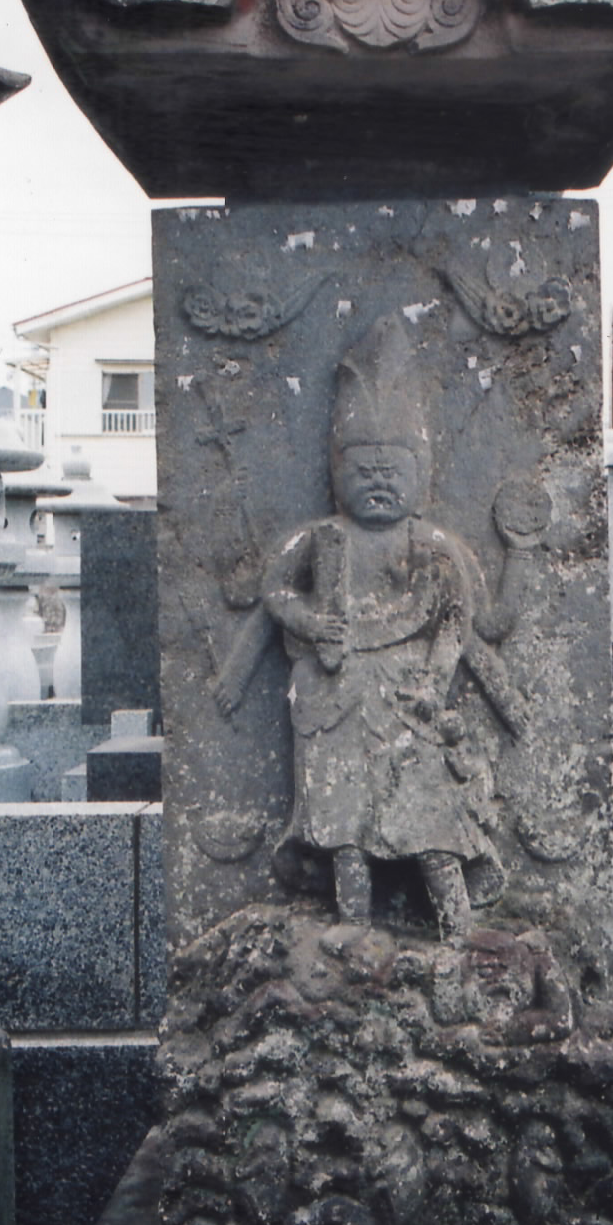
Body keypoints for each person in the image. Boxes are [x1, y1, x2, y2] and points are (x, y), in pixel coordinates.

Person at [249, 315, 502, 933]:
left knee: (429, 814)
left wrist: (435, 680)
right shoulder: (322, 539)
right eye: (363, 473)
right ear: (337, 473)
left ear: (421, 473)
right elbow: (275, 589)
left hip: (407, 695)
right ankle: (353, 919)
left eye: (393, 473)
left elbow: (455, 620)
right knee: (344, 820)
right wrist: (311, 622)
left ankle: (457, 922)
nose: (378, 485)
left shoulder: (430, 544)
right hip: (336, 696)